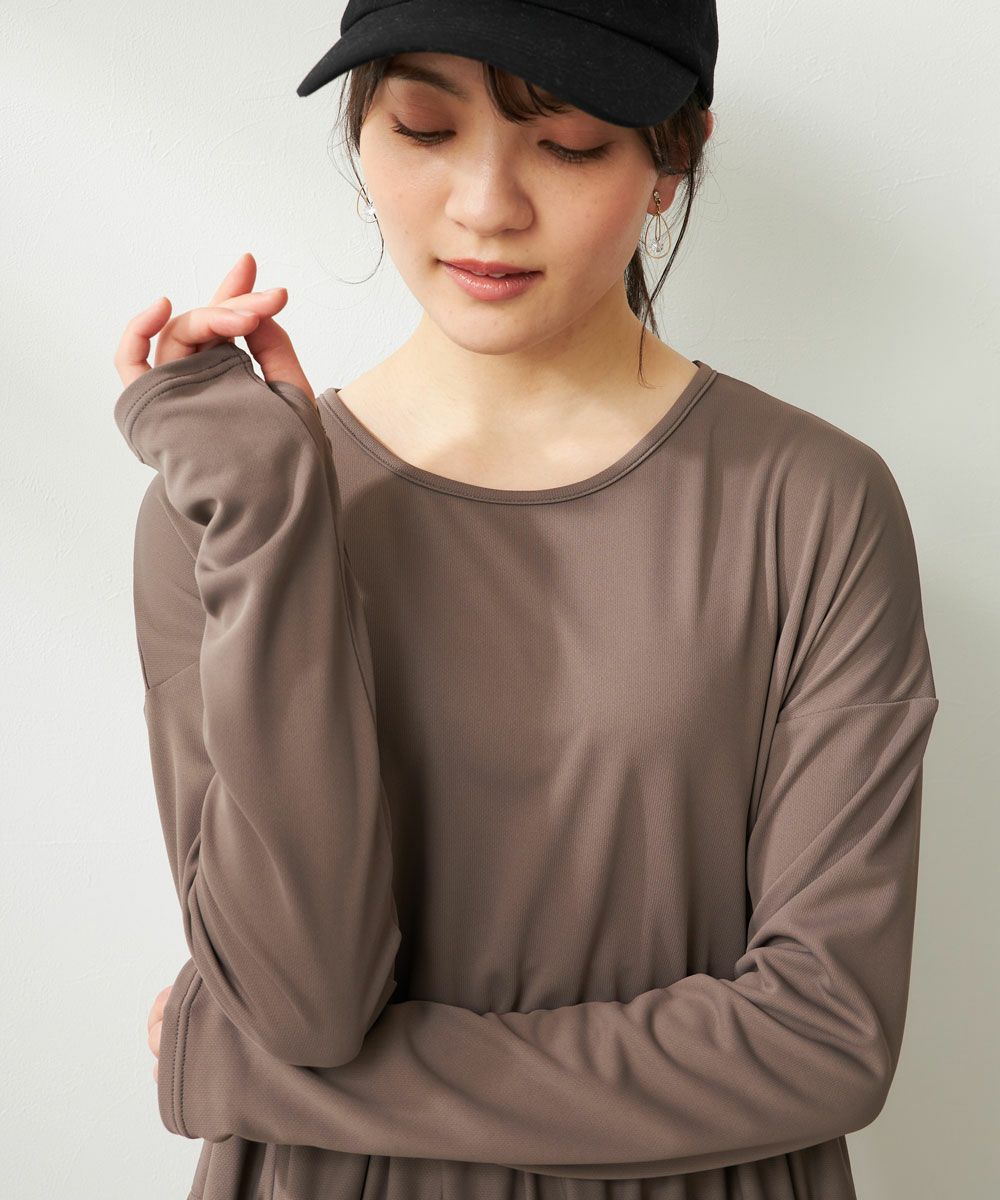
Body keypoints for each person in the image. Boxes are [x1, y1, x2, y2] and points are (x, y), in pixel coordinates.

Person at [112, 4, 941, 1199]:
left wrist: (249, 1070)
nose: (487, 205)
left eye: (566, 145)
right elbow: (301, 1005)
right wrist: (266, 521)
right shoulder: (233, 506)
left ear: (673, 157)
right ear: (363, 135)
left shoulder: (812, 503)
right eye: (424, 128)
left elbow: (822, 1040)